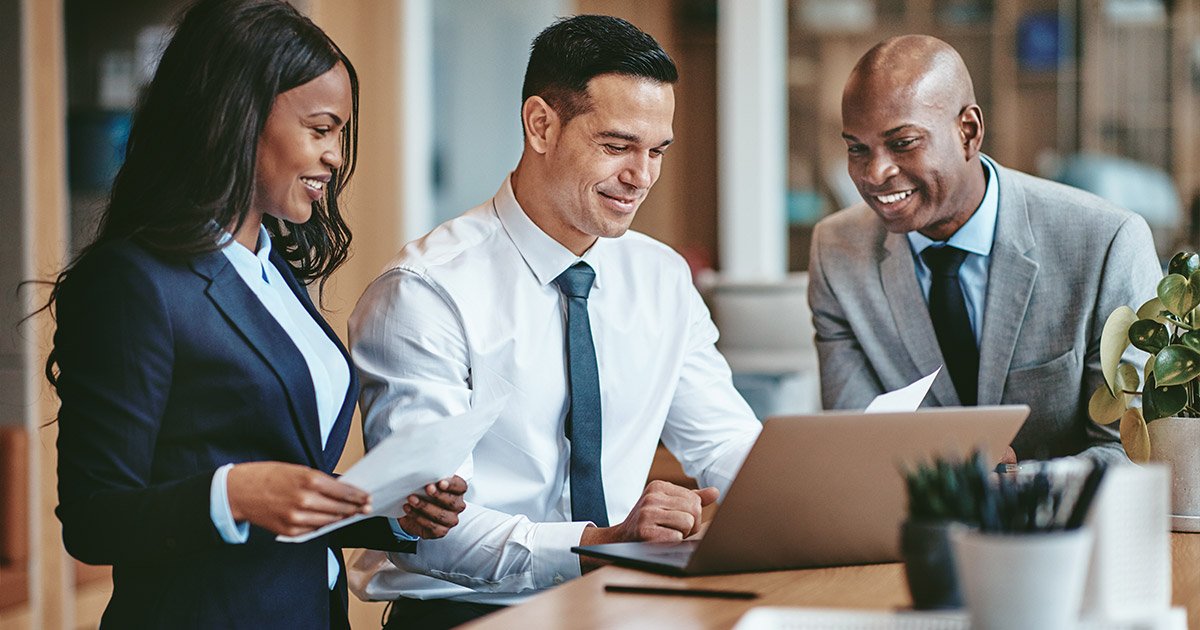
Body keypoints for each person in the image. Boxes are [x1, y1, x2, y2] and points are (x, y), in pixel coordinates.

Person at [45, 1, 466, 628]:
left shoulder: (273, 271)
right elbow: (93, 517)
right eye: (320, 129)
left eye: (341, 133)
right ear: (239, 118)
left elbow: (283, 478)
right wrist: (234, 493)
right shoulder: (136, 283)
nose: (335, 156)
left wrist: (386, 509)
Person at [347, 14, 763, 629]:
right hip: (468, 619)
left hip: (623, 610)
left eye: (656, 152)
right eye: (617, 147)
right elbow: (431, 532)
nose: (641, 178)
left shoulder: (662, 277)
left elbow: (724, 442)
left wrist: (809, 498)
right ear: (541, 124)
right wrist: (605, 541)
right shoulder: (426, 293)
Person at [808, 34, 1162, 464]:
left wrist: (1017, 487)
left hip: (1066, 526)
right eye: (857, 149)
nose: (874, 172)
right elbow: (856, 443)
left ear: (968, 132)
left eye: (903, 143)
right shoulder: (836, 251)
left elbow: (1131, 452)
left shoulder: (1106, 243)